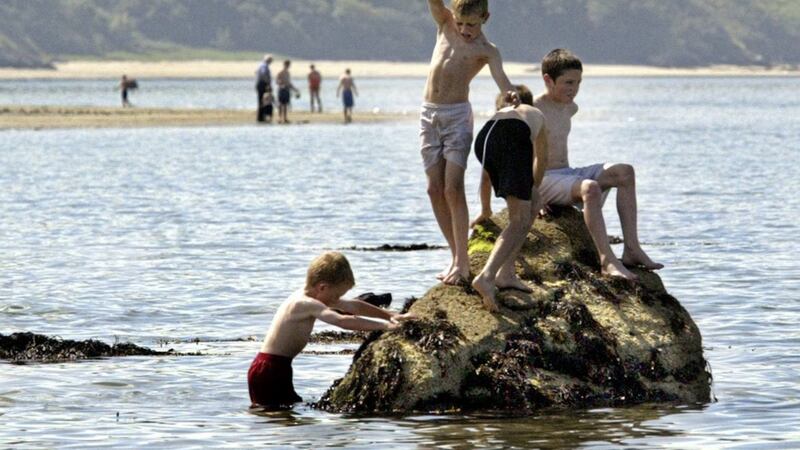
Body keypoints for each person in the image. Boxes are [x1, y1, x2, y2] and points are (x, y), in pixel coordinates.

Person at [533, 48, 663, 281]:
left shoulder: (569, 107)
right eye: (568, 82)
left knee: (624, 172)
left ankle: (632, 248)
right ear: (547, 80)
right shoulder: (533, 110)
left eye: (578, 83)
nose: (574, 89)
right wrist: (533, 195)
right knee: (590, 187)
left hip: (565, 174)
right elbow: (515, 156)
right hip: (543, 179)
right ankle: (606, 261)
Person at [421, 0, 518, 285]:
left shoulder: (487, 51)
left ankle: (463, 263)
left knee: (452, 187)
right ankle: (454, 257)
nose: (465, 30)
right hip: (428, 114)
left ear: (485, 18)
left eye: (472, 25)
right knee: (433, 189)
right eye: (461, 23)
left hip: (456, 117)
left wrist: (511, 95)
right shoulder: (444, 23)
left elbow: (503, 80)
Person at [247, 252, 414, 409]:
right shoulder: (304, 303)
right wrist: (385, 326)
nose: (337, 300)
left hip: (279, 367)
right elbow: (341, 320)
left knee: (287, 413)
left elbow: (353, 306)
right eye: (336, 295)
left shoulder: (315, 296)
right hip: (268, 370)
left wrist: (390, 315)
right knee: (273, 415)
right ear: (322, 287)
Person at [470, 86, 548, 312]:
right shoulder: (535, 116)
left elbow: (486, 179)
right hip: (512, 138)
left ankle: (507, 273)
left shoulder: (499, 117)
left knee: (525, 210)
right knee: (519, 218)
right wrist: (534, 188)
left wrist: (485, 211)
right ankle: (487, 276)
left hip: (484, 138)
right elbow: (542, 159)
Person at [276, 60, 301, 124]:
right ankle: (279, 118)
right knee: (281, 104)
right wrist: (281, 85)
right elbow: (277, 81)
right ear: (284, 65)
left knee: (286, 104)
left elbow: (289, 83)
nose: (287, 66)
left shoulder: (288, 73)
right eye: (286, 65)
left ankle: (285, 118)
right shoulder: (280, 72)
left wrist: (295, 89)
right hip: (281, 90)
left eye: (288, 65)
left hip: (287, 90)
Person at [255, 54, 273, 122]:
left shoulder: (261, 65)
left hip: (260, 84)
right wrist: (268, 83)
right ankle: (261, 117)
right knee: (263, 101)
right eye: (270, 61)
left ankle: (261, 117)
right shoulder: (264, 66)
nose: (271, 62)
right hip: (262, 84)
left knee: (262, 101)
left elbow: (257, 72)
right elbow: (263, 74)